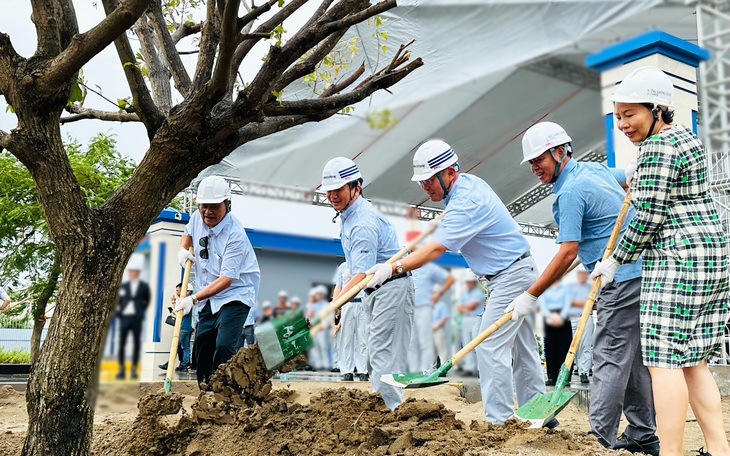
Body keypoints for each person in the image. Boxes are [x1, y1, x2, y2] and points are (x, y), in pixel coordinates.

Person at [591, 66, 730, 456]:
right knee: (694, 361)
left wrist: (617, 259)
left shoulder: (656, 148)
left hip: (676, 261)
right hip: (711, 258)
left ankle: (671, 452)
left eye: (630, 114)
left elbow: (650, 215)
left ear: (656, 108)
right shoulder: (686, 138)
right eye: (617, 115)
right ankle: (719, 449)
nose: (622, 124)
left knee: (663, 362)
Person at [366, 140, 544, 424]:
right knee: (521, 349)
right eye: (421, 183)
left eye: (428, 181)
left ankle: (499, 421)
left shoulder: (465, 202)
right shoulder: (466, 188)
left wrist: (393, 268)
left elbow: (435, 250)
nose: (425, 187)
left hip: (511, 276)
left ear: (449, 172)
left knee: (490, 346)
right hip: (511, 273)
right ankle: (537, 412)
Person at [515, 120, 657, 453]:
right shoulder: (593, 171)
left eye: (540, 159)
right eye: (531, 162)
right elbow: (626, 178)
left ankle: (598, 440)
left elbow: (566, 252)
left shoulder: (570, 192)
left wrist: (531, 293)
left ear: (560, 151)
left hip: (619, 280)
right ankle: (642, 433)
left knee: (608, 356)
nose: (535, 167)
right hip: (639, 271)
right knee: (631, 357)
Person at [321, 157, 414, 409]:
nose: (332, 196)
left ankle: (391, 410)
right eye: (329, 190)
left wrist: (332, 307)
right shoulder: (348, 217)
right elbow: (355, 273)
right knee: (374, 351)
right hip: (376, 290)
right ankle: (383, 405)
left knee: (383, 353)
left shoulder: (362, 222)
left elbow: (359, 276)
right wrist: (334, 304)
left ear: (356, 187)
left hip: (392, 287)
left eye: (338, 189)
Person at [174, 175, 260, 388]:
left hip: (235, 293)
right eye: (204, 206)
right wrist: (183, 250)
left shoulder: (235, 235)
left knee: (223, 346)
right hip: (208, 295)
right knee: (202, 346)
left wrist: (192, 299)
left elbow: (226, 279)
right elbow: (188, 235)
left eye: (214, 207)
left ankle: (225, 393)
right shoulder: (196, 217)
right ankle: (206, 392)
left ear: (227, 205)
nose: (207, 212)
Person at [409, 262, 454, 372]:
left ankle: (427, 371)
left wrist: (438, 294)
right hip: (409, 308)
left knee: (425, 342)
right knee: (411, 343)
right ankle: (414, 371)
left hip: (424, 307)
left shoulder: (429, 267)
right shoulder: (408, 268)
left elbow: (450, 279)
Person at [115, 262, 150, 380]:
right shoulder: (124, 286)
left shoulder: (143, 286)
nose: (132, 273)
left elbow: (147, 300)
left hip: (137, 318)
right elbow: (118, 301)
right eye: (131, 271)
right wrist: (120, 313)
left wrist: (140, 311)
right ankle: (121, 369)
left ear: (138, 273)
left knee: (136, 344)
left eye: (135, 271)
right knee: (122, 343)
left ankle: (134, 368)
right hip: (125, 317)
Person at [333, 262, 367, 381]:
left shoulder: (366, 263)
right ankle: (347, 370)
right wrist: (335, 304)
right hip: (347, 303)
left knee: (363, 338)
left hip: (363, 302)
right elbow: (338, 286)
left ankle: (363, 370)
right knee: (346, 338)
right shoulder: (343, 266)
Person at [535, 281, 571, 386]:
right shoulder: (545, 291)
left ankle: (565, 377)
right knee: (550, 349)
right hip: (549, 320)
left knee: (564, 349)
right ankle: (552, 377)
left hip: (563, 320)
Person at [565, 267, 594, 384]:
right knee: (572, 347)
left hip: (586, 317)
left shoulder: (592, 288)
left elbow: (596, 304)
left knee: (586, 345)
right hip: (573, 318)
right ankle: (570, 371)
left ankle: (584, 373)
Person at [159, 282, 195, 372]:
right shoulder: (188, 300)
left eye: (178, 290)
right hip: (187, 327)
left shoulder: (186, 300)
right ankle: (184, 364)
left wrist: (174, 303)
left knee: (176, 344)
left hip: (183, 327)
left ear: (187, 291)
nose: (177, 292)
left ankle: (169, 364)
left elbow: (178, 311)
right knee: (186, 346)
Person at [454, 272, 483, 376]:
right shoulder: (465, 294)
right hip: (466, 319)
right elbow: (458, 308)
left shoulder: (478, 293)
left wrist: (464, 308)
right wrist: (464, 308)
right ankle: (470, 369)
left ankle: (480, 369)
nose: (468, 284)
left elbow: (470, 306)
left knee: (476, 344)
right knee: (467, 345)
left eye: (470, 282)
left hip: (476, 318)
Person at [431, 284, 451, 368]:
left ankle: (443, 369)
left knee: (441, 351)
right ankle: (432, 370)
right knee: (432, 352)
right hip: (429, 331)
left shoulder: (442, 305)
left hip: (438, 330)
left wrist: (435, 326)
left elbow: (444, 318)